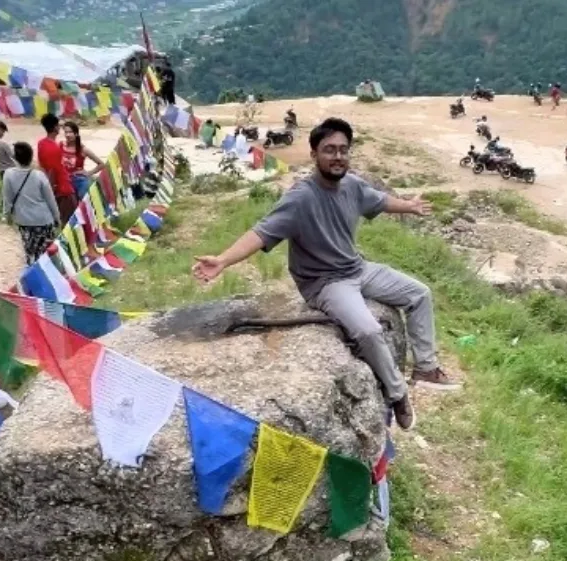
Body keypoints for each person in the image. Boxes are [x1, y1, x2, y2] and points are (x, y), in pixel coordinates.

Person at [192, 118, 458, 429]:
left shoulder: (352, 186)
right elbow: (261, 233)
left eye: (343, 150)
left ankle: (426, 368)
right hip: (325, 283)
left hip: (357, 268)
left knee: (419, 293)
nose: (338, 157)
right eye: (329, 150)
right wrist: (223, 260)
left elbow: (380, 200)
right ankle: (397, 392)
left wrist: (408, 206)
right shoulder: (300, 198)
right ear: (314, 154)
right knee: (369, 331)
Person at [2, 141, 61, 265]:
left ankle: (32, 275)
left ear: (15, 158)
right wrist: (57, 218)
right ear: (31, 157)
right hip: (44, 220)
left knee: (30, 252)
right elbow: (51, 200)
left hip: (24, 221)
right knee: (46, 254)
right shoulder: (39, 176)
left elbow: (7, 198)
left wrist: (6, 215)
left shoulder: (8, 175)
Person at [37, 113, 77, 221]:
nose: (59, 127)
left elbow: (42, 167)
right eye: (58, 125)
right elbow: (52, 171)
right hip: (62, 189)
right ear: (55, 127)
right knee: (69, 220)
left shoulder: (41, 143)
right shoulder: (54, 148)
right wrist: (51, 190)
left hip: (53, 186)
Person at [60, 121, 104, 197]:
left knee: (82, 202)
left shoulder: (83, 150)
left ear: (76, 134)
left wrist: (89, 173)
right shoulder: (60, 146)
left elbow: (101, 164)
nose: (67, 135)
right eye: (66, 132)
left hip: (78, 180)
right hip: (63, 179)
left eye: (70, 132)